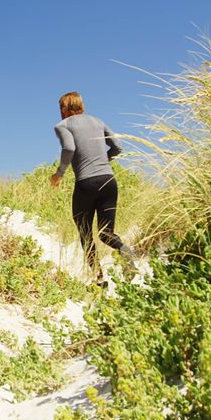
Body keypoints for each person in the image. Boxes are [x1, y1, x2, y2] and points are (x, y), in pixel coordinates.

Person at [49, 91, 135, 284]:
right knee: (106, 233)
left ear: (64, 108)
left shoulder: (62, 125)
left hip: (86, 184)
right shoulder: (97, 121)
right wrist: (104, 160)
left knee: (85, 233)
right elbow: (118, 147)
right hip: (108, 181)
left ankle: (99, 280)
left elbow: (69, 148)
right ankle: (124, 250)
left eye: (60, 108)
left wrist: (59, 174)